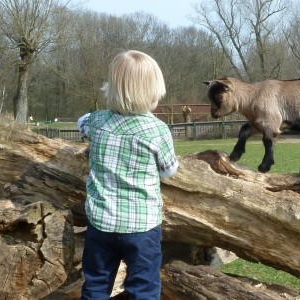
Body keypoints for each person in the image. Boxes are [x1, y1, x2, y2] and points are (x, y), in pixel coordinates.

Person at [78, 50, 179, 299]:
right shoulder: (157, 130)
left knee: (96, 284)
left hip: (101, 222)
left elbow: (81, 123)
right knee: (143, 287)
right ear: (152, 94)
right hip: (142, 226)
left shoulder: (98, 122)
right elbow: (169, 170)